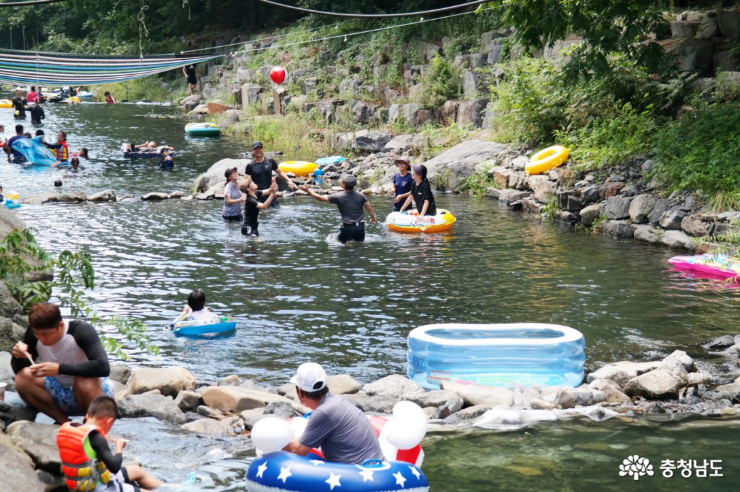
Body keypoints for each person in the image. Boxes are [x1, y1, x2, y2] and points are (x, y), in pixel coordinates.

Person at [10, 302, 116, 424]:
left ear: (60, 325)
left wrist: (59, 369)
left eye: (46, 334)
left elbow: (103, 366)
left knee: (83, 380)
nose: (41, 339)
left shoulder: (81, 331)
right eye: (37, 333)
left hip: (94, 393)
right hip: (60, 393)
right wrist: (17, 356)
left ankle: (92, 425)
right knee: (23, 377)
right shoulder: (34, 335)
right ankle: (63, 421)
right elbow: (20, 370)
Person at [57, 396, 163, 492]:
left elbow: (85, 457)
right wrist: (119, 448)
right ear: (109, 421)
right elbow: (115, 467)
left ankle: (170, 488)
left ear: (87, 415)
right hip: (98, 488)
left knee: (136, 470)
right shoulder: (97, 438)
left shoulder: (69, 429)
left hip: (80, 483)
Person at [283, 363, 383, 464]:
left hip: (357, 474)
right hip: (375, 468)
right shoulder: (335, 403)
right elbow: (307, 438)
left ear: (300, 391)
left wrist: (271, 445)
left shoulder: (323, 412)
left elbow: (298, 451)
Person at [299, 174, 377, 244]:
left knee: (334, 241)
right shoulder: (361, 195)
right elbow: (369, 209)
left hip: (348, 227)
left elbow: (320, 198)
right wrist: (373, 218)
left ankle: (348, 245)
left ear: (343, 184)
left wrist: (308, 191)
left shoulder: (338, 196)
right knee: (360, 243)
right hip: (360, 227)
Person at [244, 141, 296, 209]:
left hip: (270, 192)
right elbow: (245, 181)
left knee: (276, 211)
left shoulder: (270, 161)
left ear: (263, 149)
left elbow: (279, 172)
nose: (258, 151)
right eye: (256, 149)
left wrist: (289, 180)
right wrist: (246, 194)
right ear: (252, 151)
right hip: (258, 194)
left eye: (260, 148)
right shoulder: (250, 165)